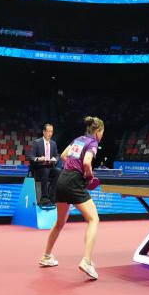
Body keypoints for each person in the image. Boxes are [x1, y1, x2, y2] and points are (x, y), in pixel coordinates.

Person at [40, 116, 104, 279]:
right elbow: (87, 162)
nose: (102, 135)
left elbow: (63, 156)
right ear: (98, 131)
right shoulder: (92, 143)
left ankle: (46, 256)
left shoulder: (78, 140)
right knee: (93, 219)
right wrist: (89, 175)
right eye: (102, 132)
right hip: (74, 181)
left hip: (62, 179)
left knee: (60, 222)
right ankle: (86, 261)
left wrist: (74, 166)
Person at [30, 123, 62, 206]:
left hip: (50, 167)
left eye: (51, 131)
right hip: (39, 168)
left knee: (59, 172)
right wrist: (38, 159)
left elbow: (57, 156)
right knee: (45, 170)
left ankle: (51, 196)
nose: (50, 133)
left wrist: (55, 159)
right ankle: (44, 198)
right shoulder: (37, 142)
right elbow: (31, 156)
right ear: (44, 132)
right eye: (48, 131)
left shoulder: (53, 143)